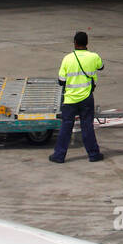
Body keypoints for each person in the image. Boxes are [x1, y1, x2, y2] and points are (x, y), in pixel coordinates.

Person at [50, 31, 104, 163]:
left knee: (66, 127)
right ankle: (93, 154)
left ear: (74, 42)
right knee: (87, 126)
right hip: (86, 98)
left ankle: (59, 155)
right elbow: (101, 67)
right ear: (87, 43)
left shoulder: (67, 58)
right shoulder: (94, 57)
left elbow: (61, 81)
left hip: (70, 100)